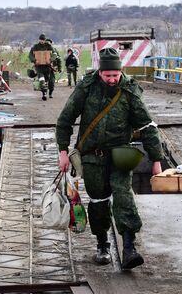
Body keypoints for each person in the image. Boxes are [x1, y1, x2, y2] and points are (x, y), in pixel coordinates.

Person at [56, 48, 163, 270]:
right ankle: (102, 243)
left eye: (116, 75)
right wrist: (63, 151)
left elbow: (147, 125)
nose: (113, 79)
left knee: (124, 196)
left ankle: (129, 247)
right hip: (92, 156)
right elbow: (65, 119)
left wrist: (156, 159)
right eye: (108, 76)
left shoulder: (129, 90)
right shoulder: (86, 88)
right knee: (98, 200)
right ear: (100, 72)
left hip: (121, 153)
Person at [28, 34, 60, 100]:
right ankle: (44, 94)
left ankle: (50, 93)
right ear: (39, 40)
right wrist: (34, 60)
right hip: (39, 67)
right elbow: (30, 55)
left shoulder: (48, 46)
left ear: (44, 40)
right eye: (41, 40)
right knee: (42, 80)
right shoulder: (35, 46)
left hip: (47, 67)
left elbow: (54, 54)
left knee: (49, 82)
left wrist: (50, 60)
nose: (42, 41)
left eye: (43, 40)